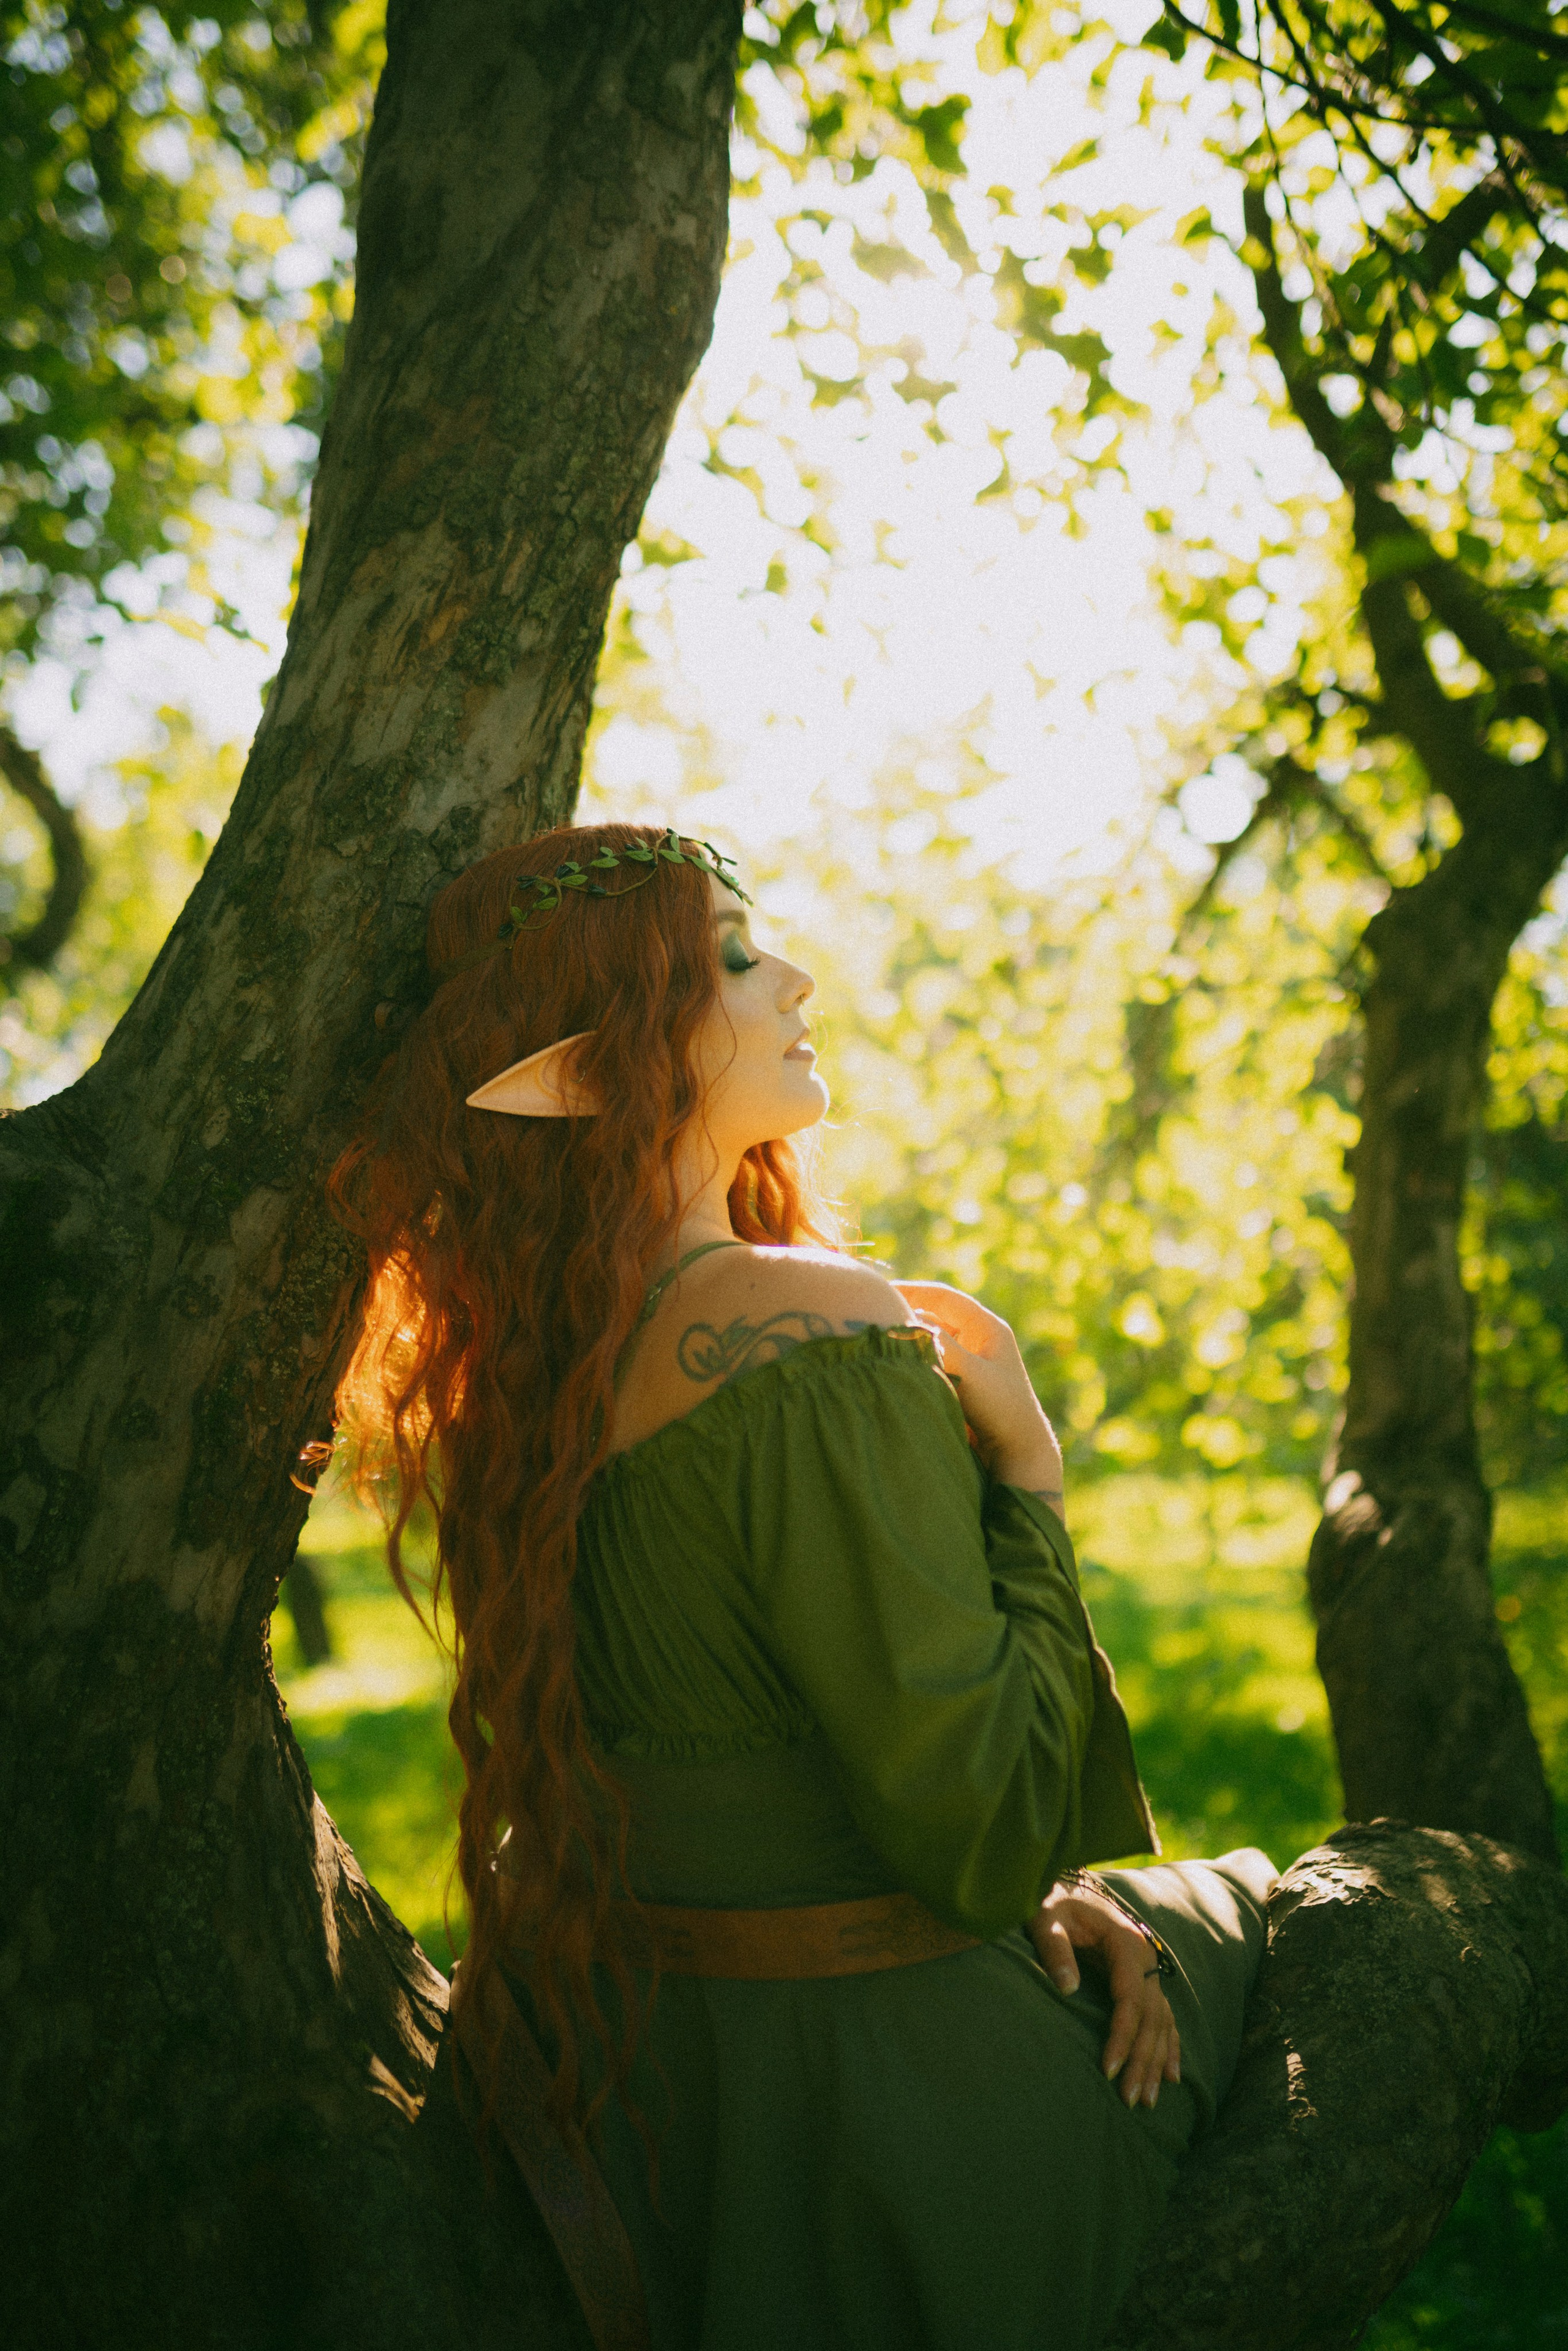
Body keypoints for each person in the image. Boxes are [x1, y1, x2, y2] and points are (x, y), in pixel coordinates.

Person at [331, 820, 1278, 2351]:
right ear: (614, 1052)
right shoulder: (803, 1328)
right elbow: (974, 1827)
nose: (794, 973)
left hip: (666, 2111)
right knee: (1269, 1907)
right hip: (901, 2132)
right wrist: (1026, 1472)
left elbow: (782, 1748)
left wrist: (1062, 1886)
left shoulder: (531, 1385)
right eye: (727, 956)